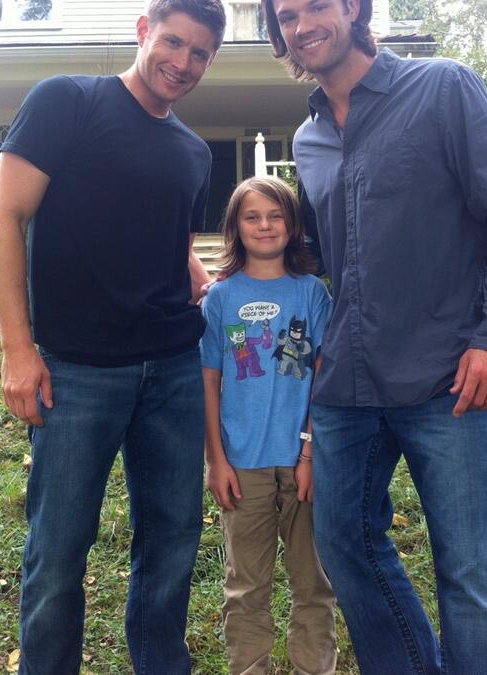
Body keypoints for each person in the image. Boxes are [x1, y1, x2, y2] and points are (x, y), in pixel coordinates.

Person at [260, 0, 487, 675]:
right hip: (346, 384)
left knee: (469, 570)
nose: (302, 25)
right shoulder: (307, 139)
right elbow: (319, 257)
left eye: (316, 6)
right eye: (287, 17)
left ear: (352, 6)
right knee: (345, 546)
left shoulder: (443, 88)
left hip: (444, 378)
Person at [0, 0, 226, 675]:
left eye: (200, 53)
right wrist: (18, 349)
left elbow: (174, 243)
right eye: (172, 41)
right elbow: (5, 217)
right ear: (143, 28)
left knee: (172, 541)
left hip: (174, 370)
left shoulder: (194, 152)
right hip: (76, 371)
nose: (182, 62)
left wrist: (205, 281)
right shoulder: (67, 101)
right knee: (58, 550)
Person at [200, 176, 336, 675]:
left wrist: (310, 454)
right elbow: (208, 383)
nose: (265, 225)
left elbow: (322, 380)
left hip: (303, 463)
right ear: (235, 226)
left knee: (314, 583)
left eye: (276, 215)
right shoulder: (219, 298)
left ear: (292, 225)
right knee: (246, 588)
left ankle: (313, 667)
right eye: (252, 216)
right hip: (241, 466)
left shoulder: (311, 293)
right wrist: (216, 460)